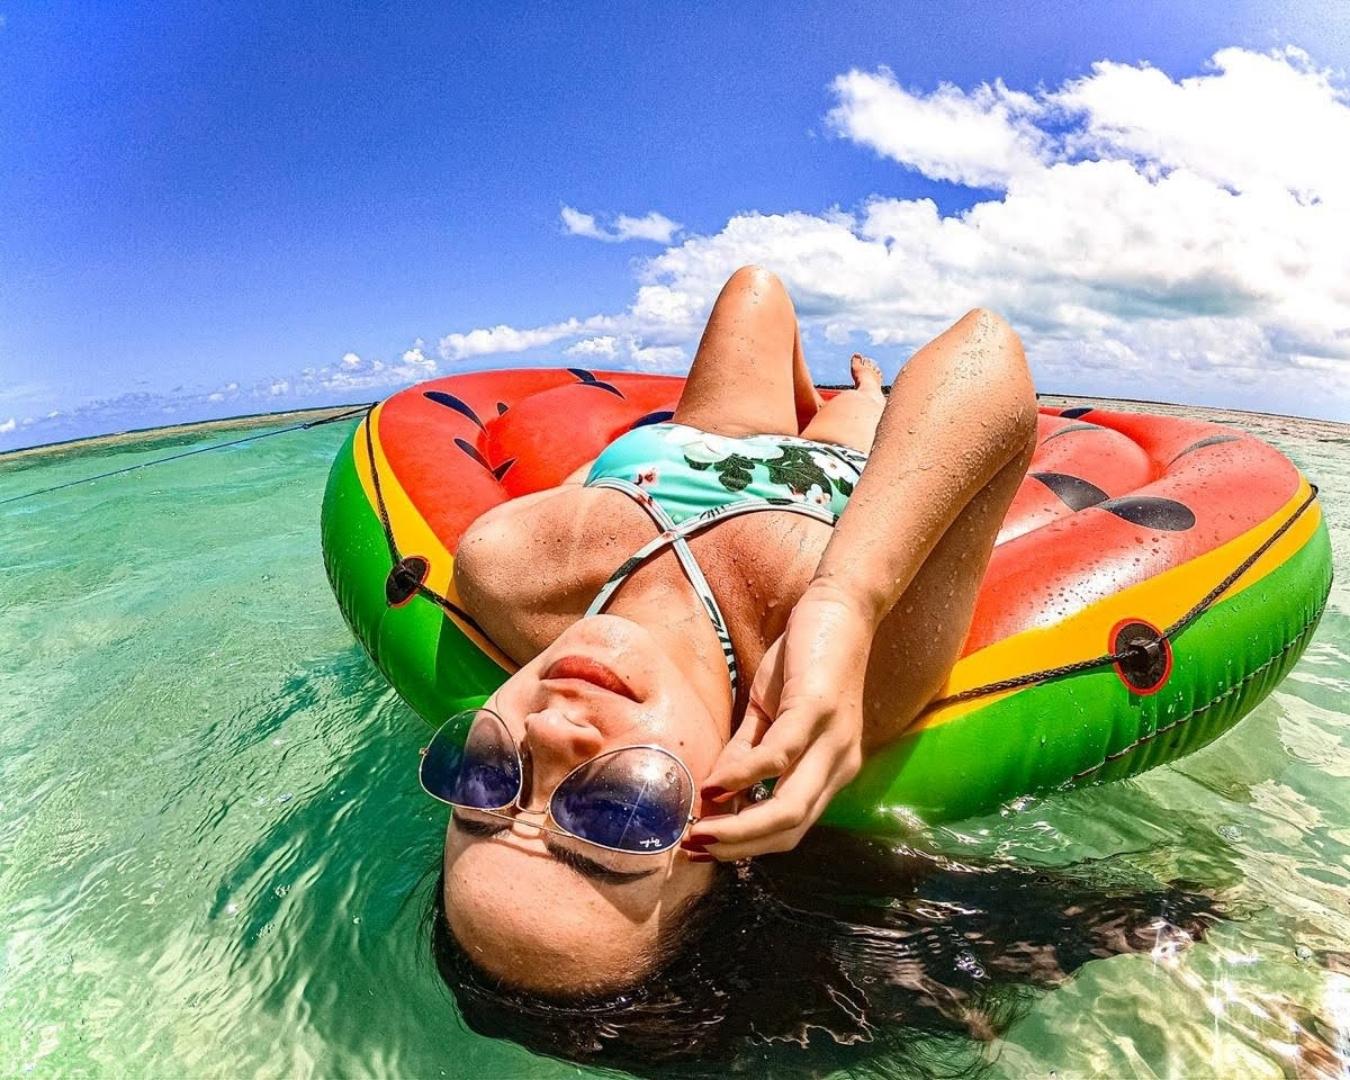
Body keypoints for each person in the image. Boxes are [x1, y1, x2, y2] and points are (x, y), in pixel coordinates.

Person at [430, 265, 1039, 1003]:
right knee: (861, 410)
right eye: (617, 812)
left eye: (487, 781)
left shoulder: (506, 569)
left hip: (703, 437)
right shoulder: (855, 677)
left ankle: (809, 400)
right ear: (734, 835)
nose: (551, 734)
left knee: (757, 287)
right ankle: (865, 395)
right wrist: (845, 597)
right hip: (841, 475)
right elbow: (986, 352)